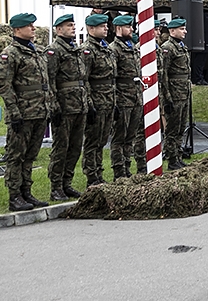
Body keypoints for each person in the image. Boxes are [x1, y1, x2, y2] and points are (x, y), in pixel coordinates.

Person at [0, 13, 55, 211]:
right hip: (22, 113)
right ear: (17, 30)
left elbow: (45, 83)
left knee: (30, 156)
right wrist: (14, 113)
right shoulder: (10, 53)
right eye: (29, 26)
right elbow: (4, 86)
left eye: (33, 25)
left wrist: (50, 106)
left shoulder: (36, 51)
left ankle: (26, 192)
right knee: (16, 156)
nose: (34, 29)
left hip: (39, 111)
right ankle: (14, 196)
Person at [46, 15, 87, 200]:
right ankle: (56, 186)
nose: (72, 28)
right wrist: (54, 107)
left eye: (73, 25)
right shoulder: (54, 51)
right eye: (68, 25)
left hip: (79, 105)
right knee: (61, 148)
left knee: (75, 147)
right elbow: (50, 80)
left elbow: (82, 80)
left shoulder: (75, 49)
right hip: (64, 107)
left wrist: (88, 104)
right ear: (58, 29)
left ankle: (67, 183)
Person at [81, 13, 117, 186]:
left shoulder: (106, 48)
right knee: (93, 141)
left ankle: (99, 172)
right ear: (91, 29)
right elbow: (84, 79)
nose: (106, 28)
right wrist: (89, 105)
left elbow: (112, 77)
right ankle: (91, 175)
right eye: (102, 26)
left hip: (108, 99)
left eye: (106, 26)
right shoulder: (87, 50)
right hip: (96, 100)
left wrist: (114, 101)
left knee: (102, 140)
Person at [109, 15, 146, 179]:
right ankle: (119, 171)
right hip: (122, 97)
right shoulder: (114, 49)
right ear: (118, 29)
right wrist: (115, 101)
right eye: (128, 27)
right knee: (119, 138)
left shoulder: (131, 47)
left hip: (135, 97)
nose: (131, 29)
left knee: (130, 137)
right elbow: (112, 78)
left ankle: (127, 168)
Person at [160, 17, 191, 170]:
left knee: (180, 127)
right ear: (172, 31)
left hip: (184, 93)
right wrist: (167, 98)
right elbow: (163, 74)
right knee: (172, 129)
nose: (185, 31)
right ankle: (172, 158)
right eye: (181, 29)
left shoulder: (181, 46)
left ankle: (178, 155)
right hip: (174, 94)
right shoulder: (167, 48)